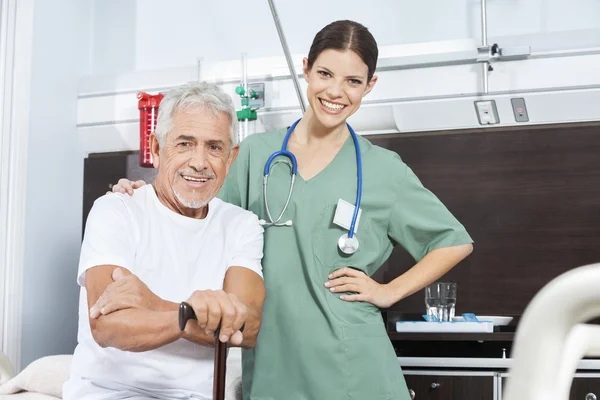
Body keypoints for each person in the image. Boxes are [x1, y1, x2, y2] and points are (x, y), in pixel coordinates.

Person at [109, 20, 473, 400]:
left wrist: (388, 292)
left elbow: (453, 241)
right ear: (306, 70)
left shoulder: (384, 171)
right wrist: (148, 196)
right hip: (272, 362)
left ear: (370, 86)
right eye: (325, 74)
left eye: (352, 81)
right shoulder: (255, 155)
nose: (335, 91)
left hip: (354, 366)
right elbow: (199, 214)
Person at [63, 82, 266, 400]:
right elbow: (107, 325)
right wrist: (191, 315)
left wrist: (153, 303)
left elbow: (246, 329)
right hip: (113, 393)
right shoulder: (117, 210)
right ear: (157, 149)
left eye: (214, 147)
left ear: (230, 158)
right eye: (185, 144)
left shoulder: (243, 226)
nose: (199, 162)